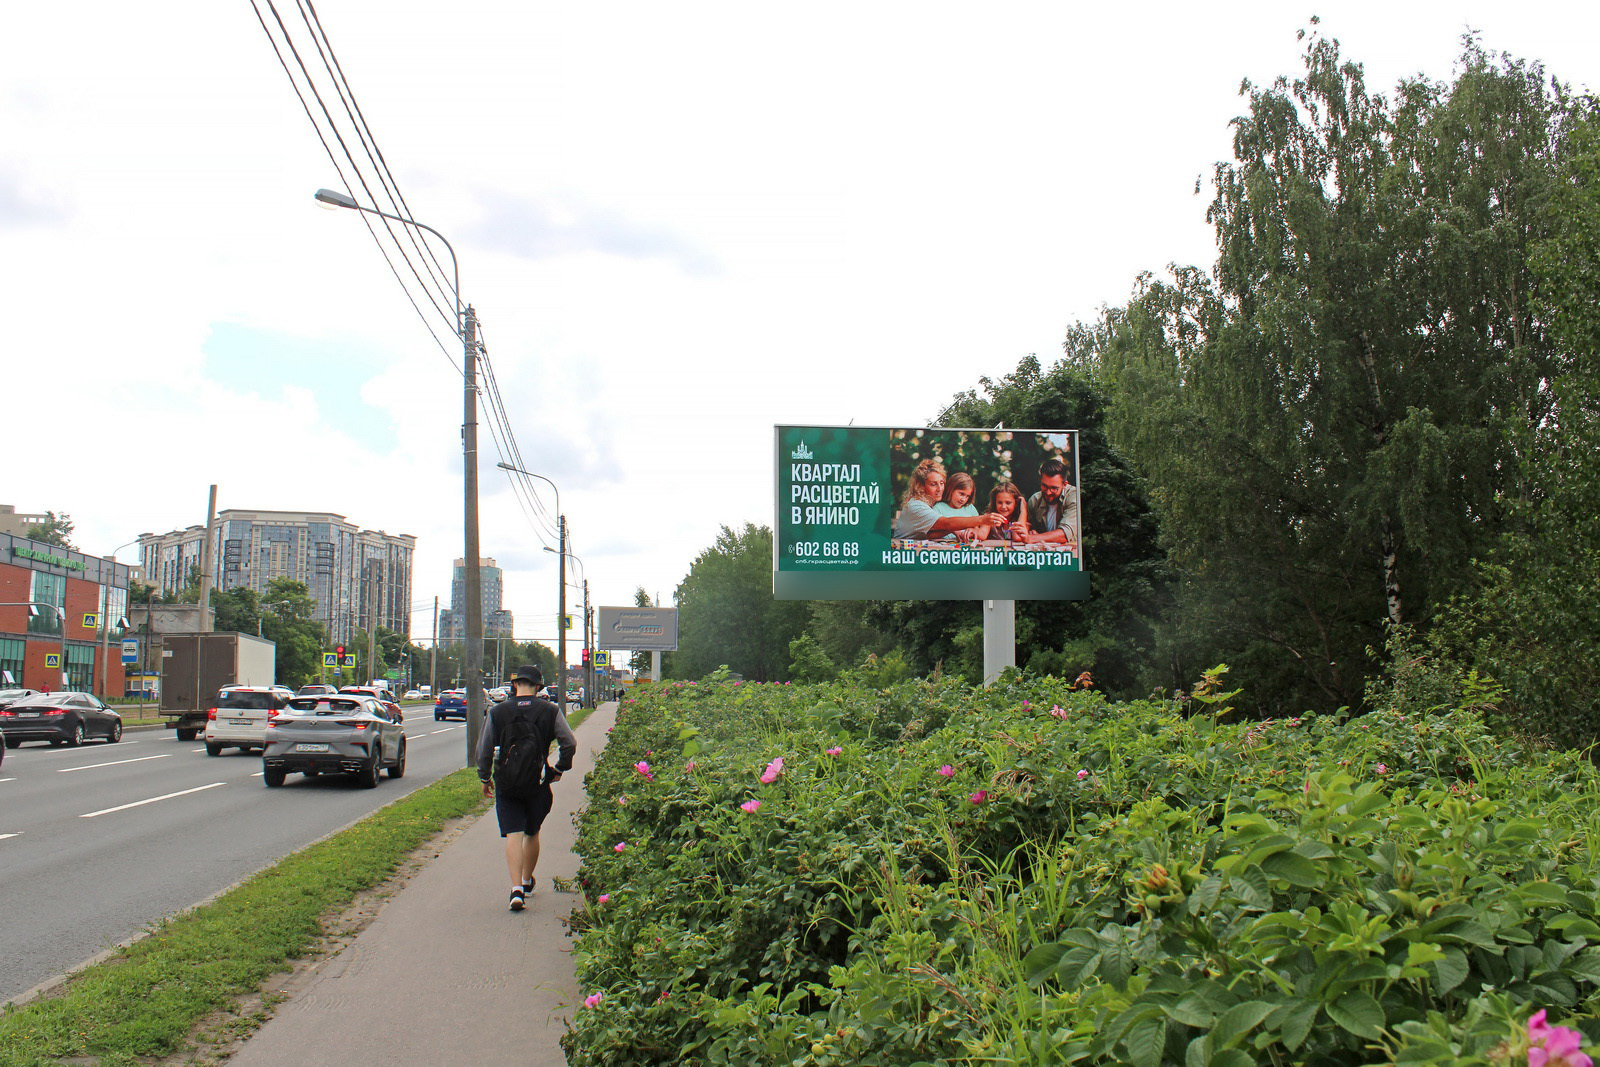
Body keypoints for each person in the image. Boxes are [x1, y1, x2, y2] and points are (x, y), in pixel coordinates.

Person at [476, 664, 577, 911]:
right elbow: (569, 743)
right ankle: (526, 881)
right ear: (538, 686)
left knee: (513, 833)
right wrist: (559, 769)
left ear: (514, 685)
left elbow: (484, 749)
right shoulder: (549, 710)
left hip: (507, 783)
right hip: (538, 782)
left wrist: (485, 778)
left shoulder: (498, 712)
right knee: (532, 832)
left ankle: (516, 890)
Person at [892, 458, 1007, 540]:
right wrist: (983, 519)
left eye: (942, 483)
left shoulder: (928, 504)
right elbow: (946, 523)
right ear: (920, 485)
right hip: (902, 555)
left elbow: (931, 534)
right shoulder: (917, 506)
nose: (940, 489)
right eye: (933, 484)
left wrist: (953, 529)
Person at [1025, 457, 1080, 546]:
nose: (1048, 492)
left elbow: (1065, 534)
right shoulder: (1034, 500)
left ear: (1064, 484)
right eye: (1044, 486)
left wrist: (1032, 538)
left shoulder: (1074, 496)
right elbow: (1026, 529)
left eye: (1054, 488)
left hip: (1069, 554)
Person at [931, 472, 980, 540]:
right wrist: (951, 530)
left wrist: (972, 529)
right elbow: (931, 534)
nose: (963, 499)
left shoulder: (970, 508)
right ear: (951, 490)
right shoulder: (939, 508)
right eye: (961, 494)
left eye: (967, 496)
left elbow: (977, 528)